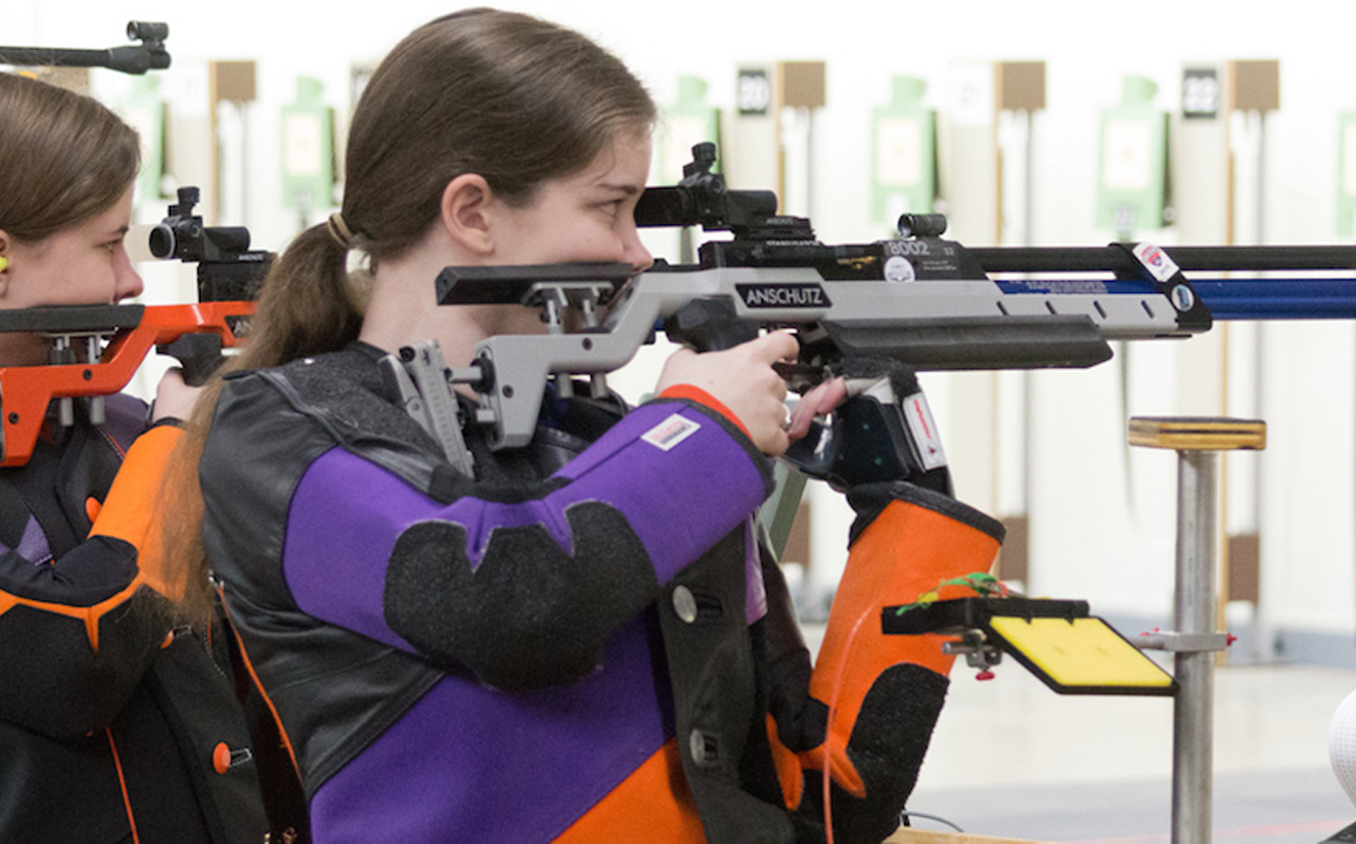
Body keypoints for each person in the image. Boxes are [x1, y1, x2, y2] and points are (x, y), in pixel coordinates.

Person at [177, 9, 1005, 843]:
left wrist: (908, 504)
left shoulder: (610, 445)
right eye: (610, 208)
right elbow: (513, 597)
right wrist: (696, 427)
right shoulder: (281, 436)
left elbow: (827, 794)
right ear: (473, 213)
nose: (638, 252)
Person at [0, 72, 267, 842]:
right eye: (110, 243)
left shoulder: (96, 422)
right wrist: (171, 446)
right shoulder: (145, 440)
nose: (131, 279)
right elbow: (72, 659)